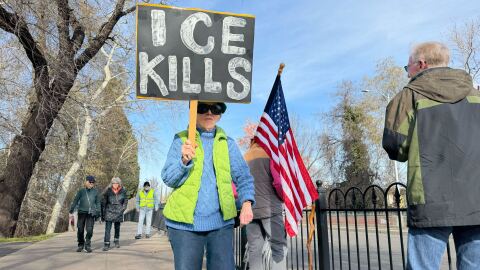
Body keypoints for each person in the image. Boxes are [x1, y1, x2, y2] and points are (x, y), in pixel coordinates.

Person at [383, 41, 480, 270]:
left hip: (431, 198)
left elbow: (395, 145)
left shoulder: (409, 96)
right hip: (476, 197)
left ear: (421, 64)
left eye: (408, 68)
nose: (408, 74)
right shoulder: (475, 93)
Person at [161, 101, 255, 270]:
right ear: (193, 111)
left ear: (221, 113)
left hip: (221, 224)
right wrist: (184, 161)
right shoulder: (181, 139)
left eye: (216, 108)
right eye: (203, 107)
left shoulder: (228, 143)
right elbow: (168, 178)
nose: (209, 112)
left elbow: (243, 176)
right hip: (184, 226)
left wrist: (247, 203)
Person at [244, 140, 287, 270]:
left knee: (254, 250)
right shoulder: (270, 154)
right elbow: (278, 183)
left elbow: (236, 186)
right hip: (271, 209)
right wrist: (283, 198)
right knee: (278, 247)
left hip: (251, 210)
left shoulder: (245, 157)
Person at [69, 175, 101, 253]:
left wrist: (98, 211)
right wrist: (71, 210)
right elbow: (75, 200)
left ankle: (87, 245)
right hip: (81, 212)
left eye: (93, 182)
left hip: (91, 213)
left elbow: (98, 203)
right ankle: (80, 245)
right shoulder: (81, 191)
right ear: (86, 182)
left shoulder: (95, 192)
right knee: (80, 229)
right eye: (90, 182)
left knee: (89, 230)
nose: (91, 184)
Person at [101, 177, 128, 251]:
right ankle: (106, 244)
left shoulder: (123, 190)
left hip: (119, 211)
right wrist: (103, 213)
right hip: (109, 211)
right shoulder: (108, 191)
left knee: (117, 228)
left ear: (119, 183)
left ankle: (116, 240)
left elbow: (126, 200)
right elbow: (104, 201)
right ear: (111, 183)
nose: (115, 184)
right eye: (113, 183)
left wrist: (123, 208)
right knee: (107, 229)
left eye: (116, 183)